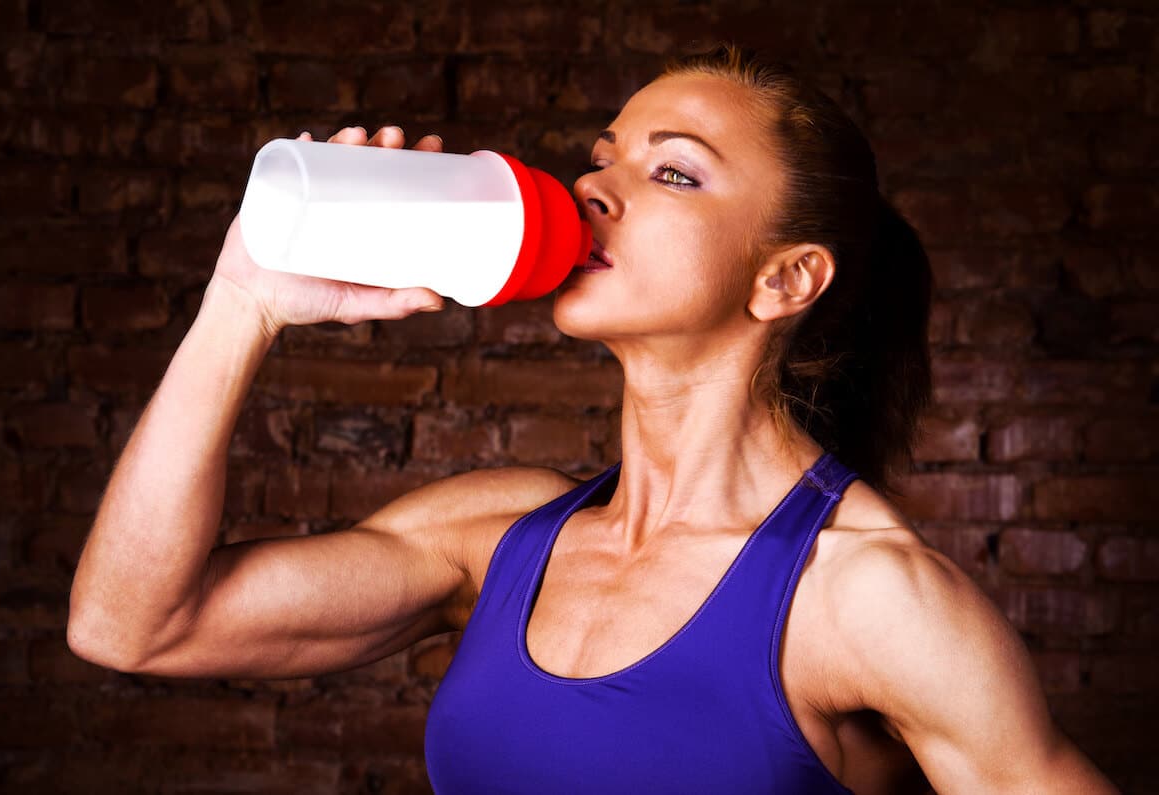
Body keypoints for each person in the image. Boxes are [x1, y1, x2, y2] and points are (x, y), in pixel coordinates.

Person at [68, 44, 1118, 794]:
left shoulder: (867, 597)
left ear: (784, 279)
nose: (596, 186)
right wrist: (240, 302)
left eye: (672, 171)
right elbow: (131, 626)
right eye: (606, 153)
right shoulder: (494, 540)